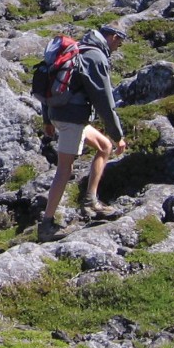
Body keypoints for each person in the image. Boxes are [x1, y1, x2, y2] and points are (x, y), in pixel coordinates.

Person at [38, 25, 129, 240]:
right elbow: (105, 101)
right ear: (113, 37)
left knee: (103, 147)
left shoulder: (78, 49)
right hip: (71, 119)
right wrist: (118, 135)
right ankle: (46, 225)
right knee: (64, 170)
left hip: (59, 114)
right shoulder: (95, 57)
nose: (118, 47)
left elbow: (49, 81)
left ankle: (90, 202)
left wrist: (47, 119)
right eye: (119, 42)